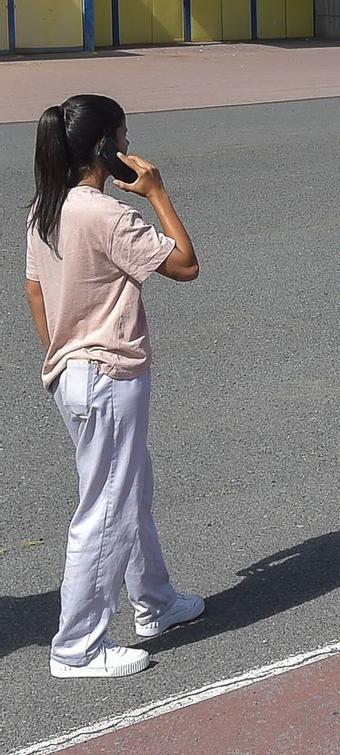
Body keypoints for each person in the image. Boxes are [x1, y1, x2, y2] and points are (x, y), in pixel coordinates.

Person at [29, 95, 203, 679]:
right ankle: (77, 646)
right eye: (124, 136)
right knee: (104, 508)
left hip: (72, 373)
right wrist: (155, 192)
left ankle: (154, 600)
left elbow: (35, 291)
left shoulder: (46, 207)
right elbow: (184, 264)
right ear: (105, 145)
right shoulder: (103, 214)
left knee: (130, 488)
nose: (131, 147)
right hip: (107, 375)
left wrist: (59, 349)